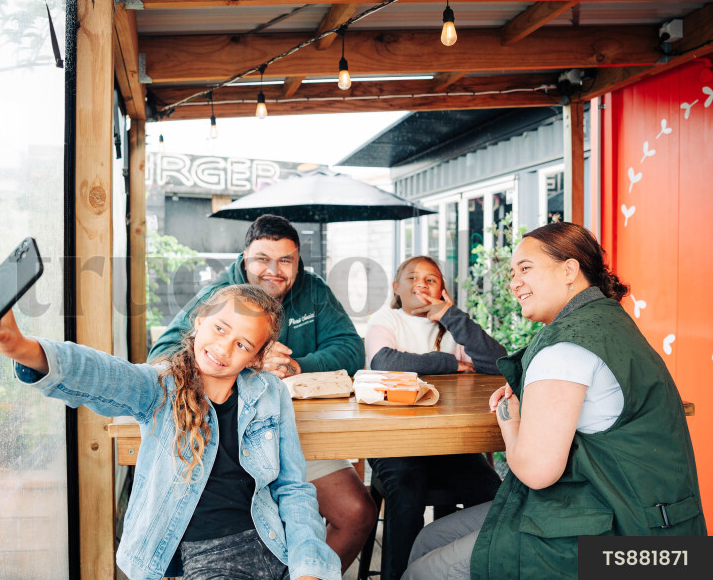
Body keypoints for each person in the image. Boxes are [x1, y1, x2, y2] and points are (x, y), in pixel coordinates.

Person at [0, 279, 341, 580]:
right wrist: (21, 347)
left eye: (242, 344)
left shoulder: (270, 392)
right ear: (199, 321)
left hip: (274, 544)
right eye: (220, 328)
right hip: (208, 555)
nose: (223, 348)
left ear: (257, 357)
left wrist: (308, 565)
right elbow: (101, 375)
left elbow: (292, 488)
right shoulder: (159, 387)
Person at [402, 222, 706, 580]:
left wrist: (509, 418)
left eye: (525, 269)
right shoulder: (610, 321)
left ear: (569, 270)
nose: (514, 282)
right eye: (512, 273)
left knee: (424, 571)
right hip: (666, 528)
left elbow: (535, 471)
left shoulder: (565, 345)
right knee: (429, 538)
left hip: (625, 539)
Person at [149, 214, 375, 571]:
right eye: (262, 260)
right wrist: (247, 360)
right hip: (229, 444)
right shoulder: (220, 295)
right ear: (244, 258)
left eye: (286, 260)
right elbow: (160, 355)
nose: (275, 270)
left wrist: (295, 364)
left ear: (298, 262)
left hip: (300, 436)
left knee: (358, 512)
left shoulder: (312, 290)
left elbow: (350, 348)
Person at [364, 256, 504, 580]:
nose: (421, 284)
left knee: (492, 492)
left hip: (449, 443)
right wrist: (450, 363)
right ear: (396, 287)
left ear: (442, 289)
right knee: (406, 492)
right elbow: (384, 360)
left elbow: (497, 363)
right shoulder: (386, 319)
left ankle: (469, 570)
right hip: (394, 444)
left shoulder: (451, 324)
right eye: (412, 277)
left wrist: (452, 316)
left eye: (431, 279)